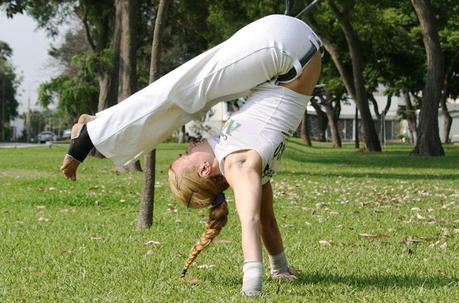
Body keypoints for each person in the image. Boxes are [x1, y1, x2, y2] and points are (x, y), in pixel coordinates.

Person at [61, 14, 321, 296]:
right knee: (187, 89)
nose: (191, 146)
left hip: (290, 56)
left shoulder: (246, 163)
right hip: (287, 48)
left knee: (193, 97)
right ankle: (93, 134)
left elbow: (267, 222)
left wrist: (279, 268)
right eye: (185, 154)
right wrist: (252, 284)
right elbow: (254, 220)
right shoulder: (239, 163)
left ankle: (98, 129)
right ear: (205, 170)